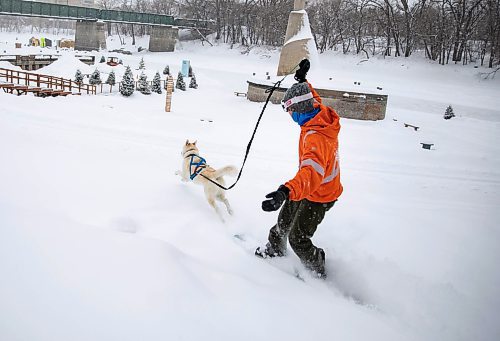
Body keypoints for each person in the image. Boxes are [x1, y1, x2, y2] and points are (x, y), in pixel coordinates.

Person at [255, 59, 343, 278]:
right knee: (284, 220)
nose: (290, 114)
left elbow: (310, 175)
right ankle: (275, 249)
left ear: (301, 109)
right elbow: (311, 96)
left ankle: (317, 267)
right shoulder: (317, 114)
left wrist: (285, 191)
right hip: (306, 186)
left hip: (321, 194)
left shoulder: (316, 138)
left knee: (298, 238)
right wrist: (302, 79)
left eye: (291, 110)